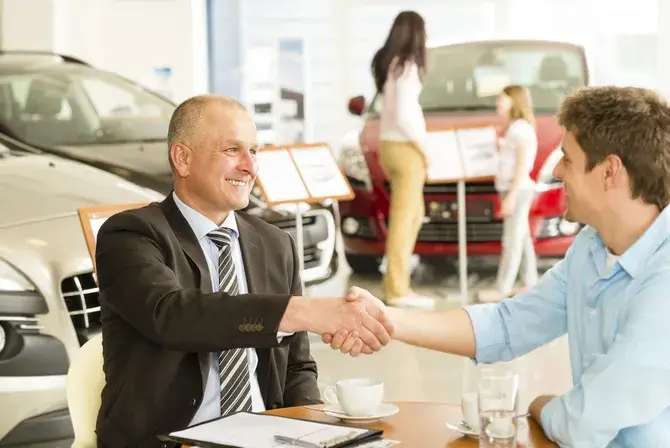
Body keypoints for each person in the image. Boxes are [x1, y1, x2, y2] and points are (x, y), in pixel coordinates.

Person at [327, 86, 670, 447]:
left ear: (609, 172)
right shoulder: (590, 247)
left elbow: (584, 419)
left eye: (567, 159)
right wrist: (386, 319)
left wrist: (541, 406)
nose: (556, 170)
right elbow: (508, 325)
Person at [94, 94, 392, 448]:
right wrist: (304, 312)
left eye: (255, 151)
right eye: (232, 150)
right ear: (182, 158)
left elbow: (296, 367)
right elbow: (173, 316)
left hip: (268, 436)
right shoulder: (130, 234)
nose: (250, 166)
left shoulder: (274, 243)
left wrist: (313, 433)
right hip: (169, 440)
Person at [371, 10, 433, 309]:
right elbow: (405, 116)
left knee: (413, 214)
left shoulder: (393, 65)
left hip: (389, 145)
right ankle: (397, 289)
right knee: (405, 218)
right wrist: (424, 149)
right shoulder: (406, 67)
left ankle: (397, 284)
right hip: (406, 147)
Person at [479, 85, 539, 302]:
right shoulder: (515, 128)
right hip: (513, 190)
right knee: (522, 238)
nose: (498, 105)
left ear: (514, 101)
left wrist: (511, 197)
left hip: (518, 190)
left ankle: (502, 288)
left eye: (502, 100)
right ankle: (531, 282)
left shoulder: (520, 129)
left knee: (512, 240)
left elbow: (521, 167)